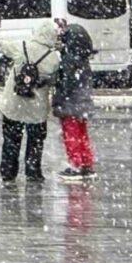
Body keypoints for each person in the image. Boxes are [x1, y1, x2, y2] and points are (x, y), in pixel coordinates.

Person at [0, 19, 61, 183]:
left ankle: (8, 173)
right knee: (35, 141)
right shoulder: (53, 59)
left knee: (11, 140)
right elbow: (53, 82)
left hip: (13, 104)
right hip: (37, 108)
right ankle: (33, 171)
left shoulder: (21, 47)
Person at [52, 24, 96, 179]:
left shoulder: (69, 59)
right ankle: (86, 163)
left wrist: (58, 100)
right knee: (82, 134)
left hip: (70, 105)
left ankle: (75, 165)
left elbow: (66, 84)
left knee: (71, 135)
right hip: (82, 104)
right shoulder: (83, 59)